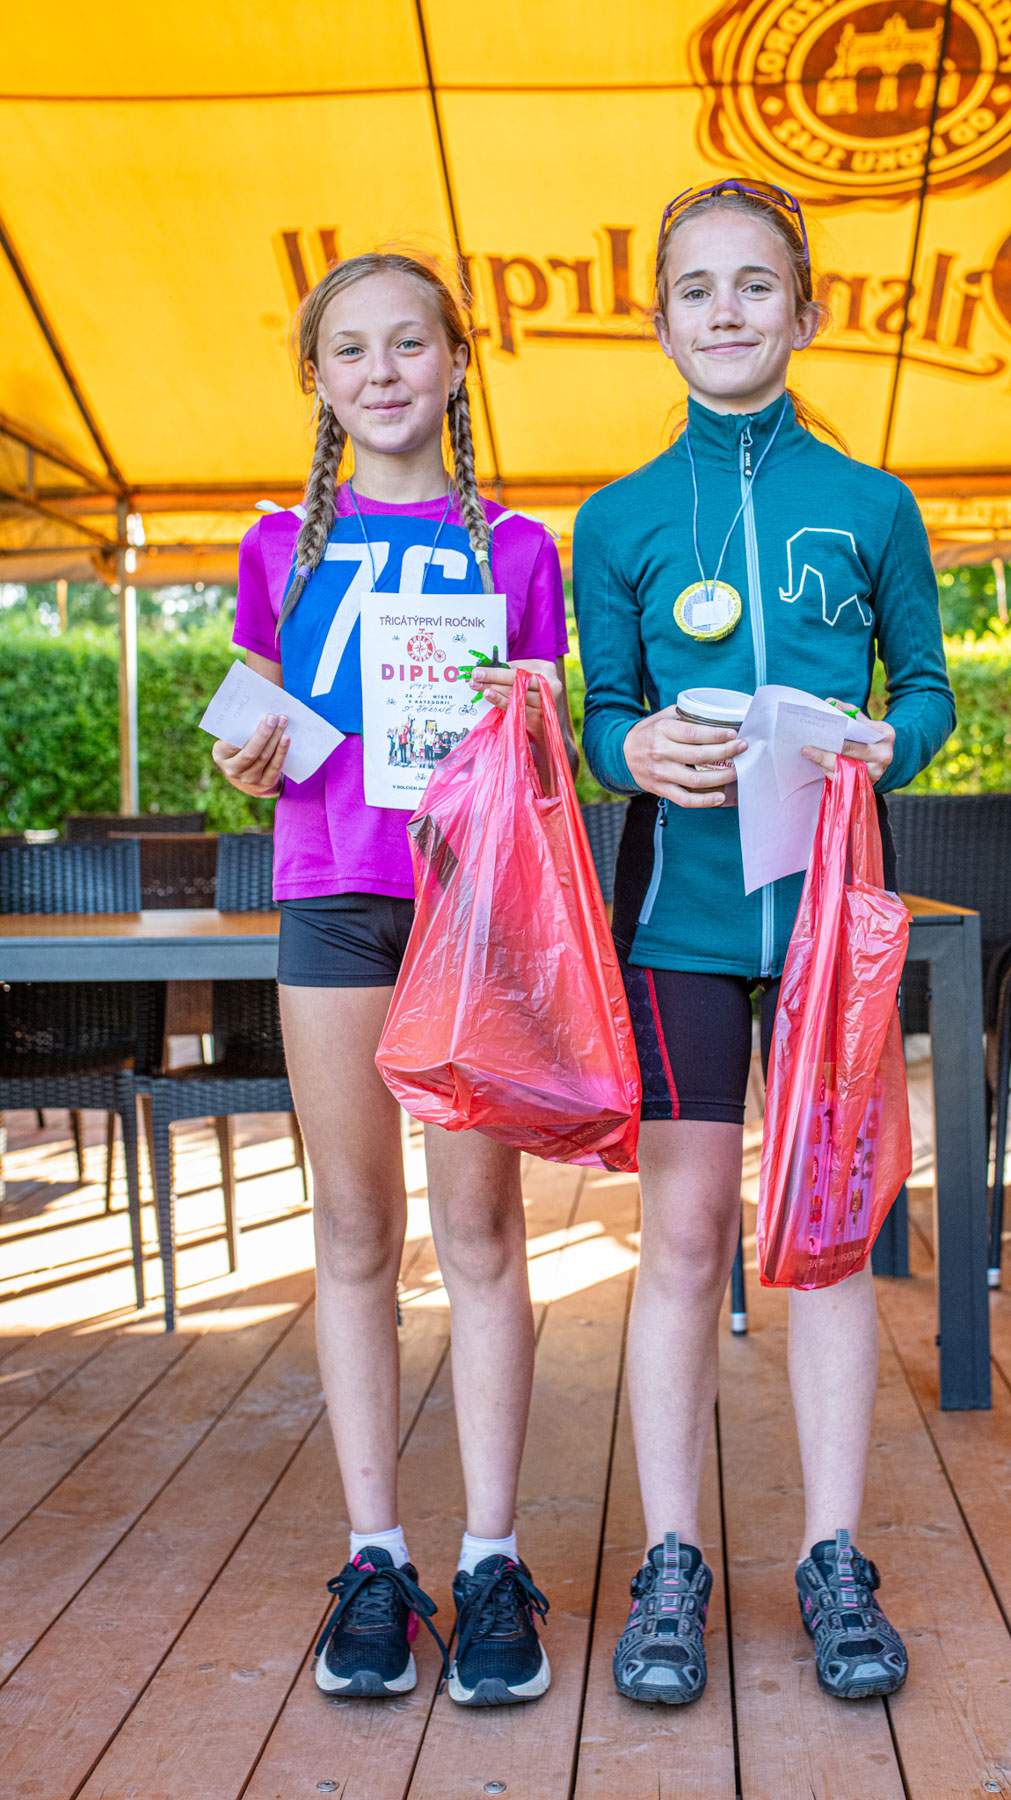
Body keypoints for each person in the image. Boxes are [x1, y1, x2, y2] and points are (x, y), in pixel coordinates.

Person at [572, 180, 954, 1706]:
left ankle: (833, 1556)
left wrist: (889, 739)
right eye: (696, 288)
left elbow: (928, 688)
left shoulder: (874, 505)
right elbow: (602, 712)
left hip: (831, 927)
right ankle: (673, 1560)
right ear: (658, 319)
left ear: (808, 310)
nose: (725, 310)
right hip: (678, 923)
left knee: (831, 1241)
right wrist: (628, 747)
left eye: (753, 285)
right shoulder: (614, 519)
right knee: (681, 1240)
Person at [212, 250, 576, 1707]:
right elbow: (260, 731)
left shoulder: (522, 550)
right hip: (332, 905)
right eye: (350, 350)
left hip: (474, 908)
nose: (382, 372)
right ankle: (375, 1560)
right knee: (355, 1229)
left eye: (408, 343)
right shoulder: (276, 549)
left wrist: (534, 722)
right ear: (319, 381)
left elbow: (552, 756)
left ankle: (491, 1561)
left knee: (479, 1231)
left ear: (456, 361)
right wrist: (246, 759)